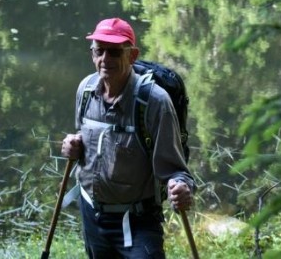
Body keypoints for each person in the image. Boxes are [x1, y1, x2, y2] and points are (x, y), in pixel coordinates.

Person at [61, 17, 195, 259]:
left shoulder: (154, 101)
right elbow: (88, 136)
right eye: (99, 51)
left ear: (132, 55)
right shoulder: (86, 90)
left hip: (138, 221)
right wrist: (75, 144)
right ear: (92, 54)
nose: (105, 59)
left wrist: (182, 188)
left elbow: (177, 171)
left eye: (114, 52)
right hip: (92, 214)